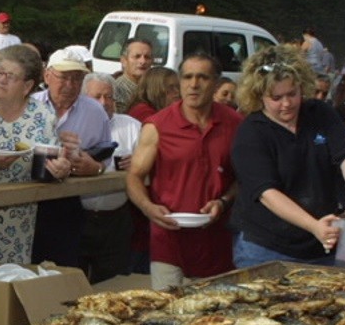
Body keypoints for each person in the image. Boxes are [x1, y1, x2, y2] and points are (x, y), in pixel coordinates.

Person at [231, 46, 345, 267]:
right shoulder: (251, 132)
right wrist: (314, 226)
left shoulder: (320, 113)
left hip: (323, 246)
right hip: (266, 247)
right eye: (276, 98)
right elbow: (266, 192)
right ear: (259, 96)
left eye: (292, 94)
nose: (286, 104)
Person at [126, 52, 241, 290]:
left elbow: (244, 178)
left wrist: (224, 200)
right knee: (168, 315)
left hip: (217, 240)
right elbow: (134, 176)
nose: (194, 84)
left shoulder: (235, 124)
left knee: (214, 319)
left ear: (216, 83)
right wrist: (149, 209)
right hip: (168, 238)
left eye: (202, 77)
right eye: (187, 77)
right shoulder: (158, 125)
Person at [0, 45, 67, 264]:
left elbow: (49, 167)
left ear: (27, 85)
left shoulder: (42, 115)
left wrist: (61, 169)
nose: (1, 80)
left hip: (20, 216)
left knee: (11, 280)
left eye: (10, 76)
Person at [29, 46, 111, 268]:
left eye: (77, 78)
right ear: (47, 76)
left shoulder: (95, 112)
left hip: (70, 203)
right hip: (28, 201)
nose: (70, 85)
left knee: (65, 268)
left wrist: (94, 168)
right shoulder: (30, 105)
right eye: (64, 77)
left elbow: (105, 158)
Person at [80, 73, 143, 282]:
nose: (103, 103)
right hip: (77, 218)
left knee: (112, 285)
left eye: (108, 97)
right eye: (96, 97)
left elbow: (150, 169)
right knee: (74, 283)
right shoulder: (72, 125)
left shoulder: (132, 127)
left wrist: (138, 164)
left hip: (116, 221)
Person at [113, 37, 154, 113]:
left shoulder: (155, 88)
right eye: (137, 56)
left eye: (147, 57)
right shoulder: (117, 90)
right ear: (124, 61)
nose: (143, 61)